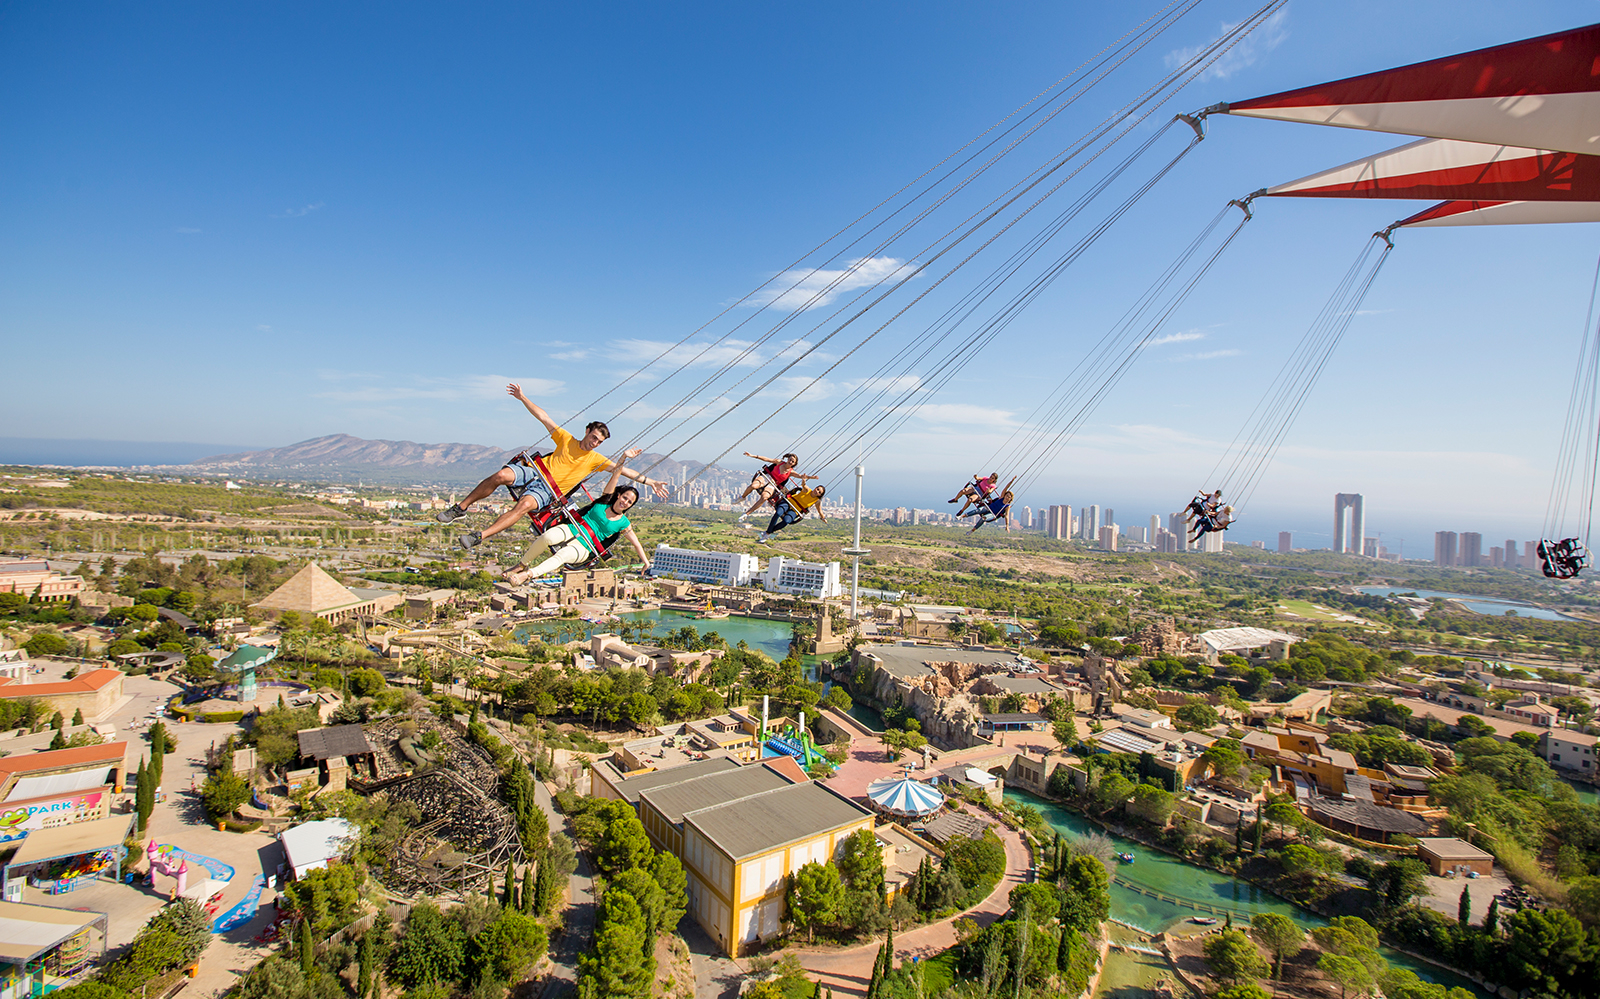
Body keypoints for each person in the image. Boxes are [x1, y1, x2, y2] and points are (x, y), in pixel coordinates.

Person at [441, 383, 668, 550]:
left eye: (599, 442)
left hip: (547, 490)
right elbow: (544, 417)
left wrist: (651, 482)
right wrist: (522, 398)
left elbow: (625, 471)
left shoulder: (596, 460)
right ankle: (460, 508)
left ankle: (480, 535)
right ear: (588, 431)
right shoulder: (565, 439)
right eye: (594, 437)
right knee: (501, 475)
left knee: (523, 506)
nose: (595, 443)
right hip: (536, 472)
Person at [504, 461, 652, 585]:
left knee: (562, 555)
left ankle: (527, 574)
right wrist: (625, 457)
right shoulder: (604, 501)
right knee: (547, 537)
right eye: (625, 498)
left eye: (629, 502)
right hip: (573, 528)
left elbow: (636, 543)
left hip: (585, 546)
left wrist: (646, 562)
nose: (625, 502)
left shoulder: (624, 523)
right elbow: (616, 473)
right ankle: (521, 565)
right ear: (619, 495)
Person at [736, 452, 815, 520]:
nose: (790, 462)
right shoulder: (779, 462)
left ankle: (747, 513)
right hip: (767, 477)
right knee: (754, 485)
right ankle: (742, 497)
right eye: (790, 460)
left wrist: (811, 477)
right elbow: (767, 459)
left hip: (774, 484)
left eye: (793, 461)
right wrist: (753, 456)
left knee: (764, 497)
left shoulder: (791, 472)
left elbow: (800, 476)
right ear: (788, 459)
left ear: (794, 464)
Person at [756, 484, 827, 544]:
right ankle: (768, 533)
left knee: (786, 521)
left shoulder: (816, 501)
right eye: (817, 489)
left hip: (796, 510)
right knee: (778, 513)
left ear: (820, 495)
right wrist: (804, 480)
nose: (817, 491)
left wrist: (823, 518)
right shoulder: (807, 490)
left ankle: (768, 532)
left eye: (819, 492)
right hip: (789, 502)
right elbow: (804, 485)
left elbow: (819, 510)